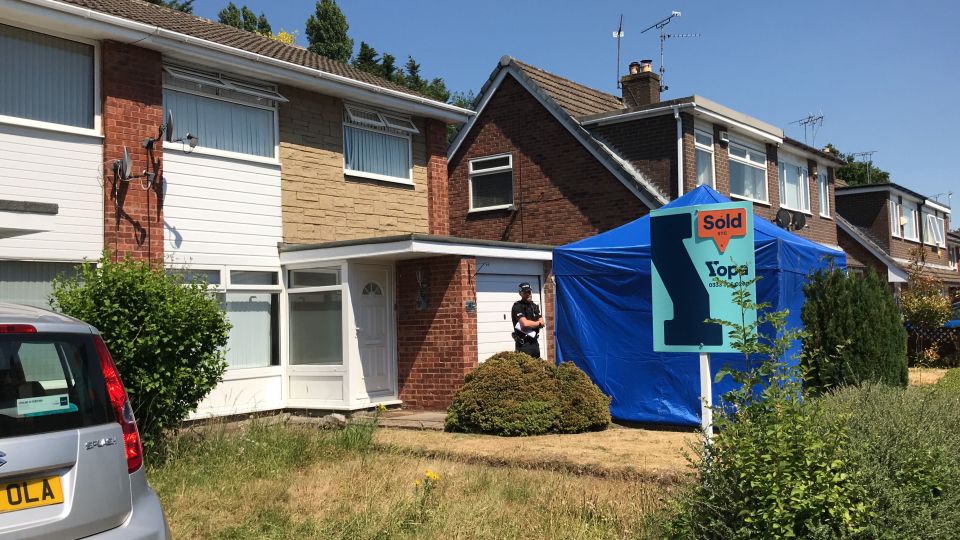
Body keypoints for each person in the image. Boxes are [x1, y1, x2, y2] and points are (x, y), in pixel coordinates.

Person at [511, 282, 545, 358]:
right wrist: (538, 323)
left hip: (534, 343)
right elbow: (525, 324)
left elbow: (542, 322)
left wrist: (535, 324)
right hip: (523, 344)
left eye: (529, 291)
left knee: (537, 367)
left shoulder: (534, 306)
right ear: (520, 293)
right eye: (525, 292)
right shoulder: (517, 306)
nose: (528, 294)